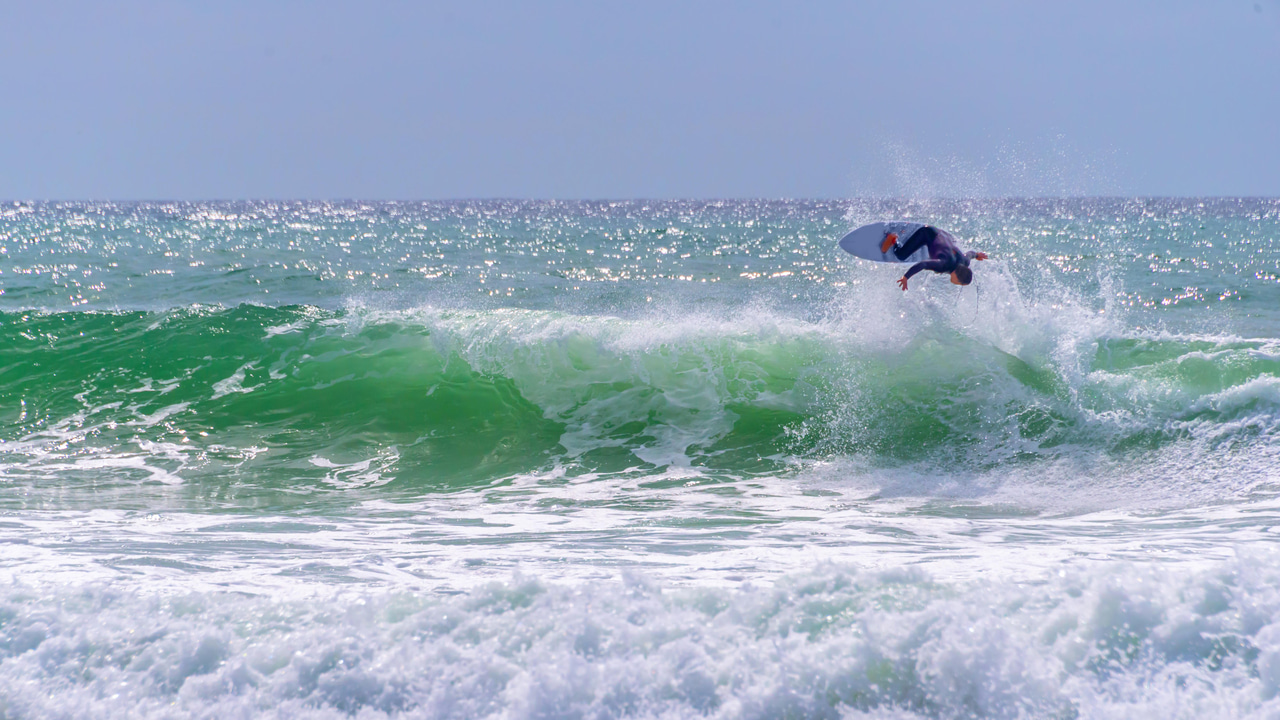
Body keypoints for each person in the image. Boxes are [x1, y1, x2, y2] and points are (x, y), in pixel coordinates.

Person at [880, 225, 988, 290]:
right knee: (901, 255)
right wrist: (906, 277)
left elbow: (970, 253)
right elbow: (923, 264)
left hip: (943, 234)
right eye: (960, 283)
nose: (958, 285)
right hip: (926, 233)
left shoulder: (965, 262)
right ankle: (893, 239)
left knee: (938, 249)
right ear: (956, 276)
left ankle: (927, 246)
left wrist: (977, 255)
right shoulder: (943, 265)